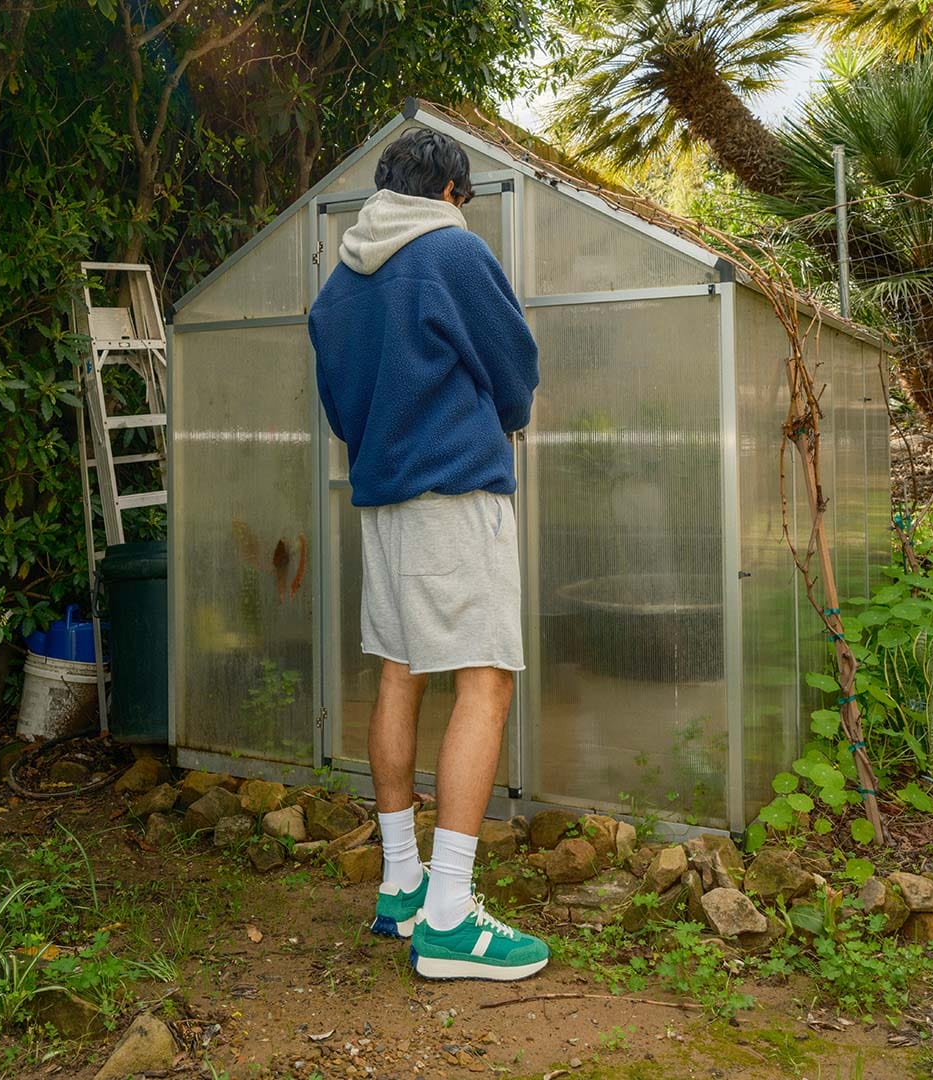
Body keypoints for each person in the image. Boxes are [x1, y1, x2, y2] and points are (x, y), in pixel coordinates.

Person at [308, 127, 546, 982]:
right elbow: (515, 370)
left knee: (401, 670)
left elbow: (342, 413)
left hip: (385, 503)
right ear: (449, 190)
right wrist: (501, 414)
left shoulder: (337, 285)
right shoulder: (451, 251)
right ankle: (449, 915)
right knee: (485, 679)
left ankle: (402, 882)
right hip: (455, 493)